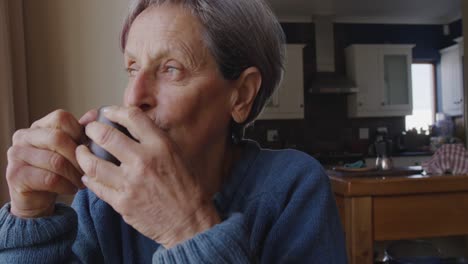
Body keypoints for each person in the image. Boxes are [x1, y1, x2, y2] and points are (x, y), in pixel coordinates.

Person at [0, 0, 347, 263]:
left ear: (240, 95)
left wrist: (186, 228)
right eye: (132, 68)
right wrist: (31, 220)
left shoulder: (293, 187)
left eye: (170, 69)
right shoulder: (102, 200)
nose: (134, 97)